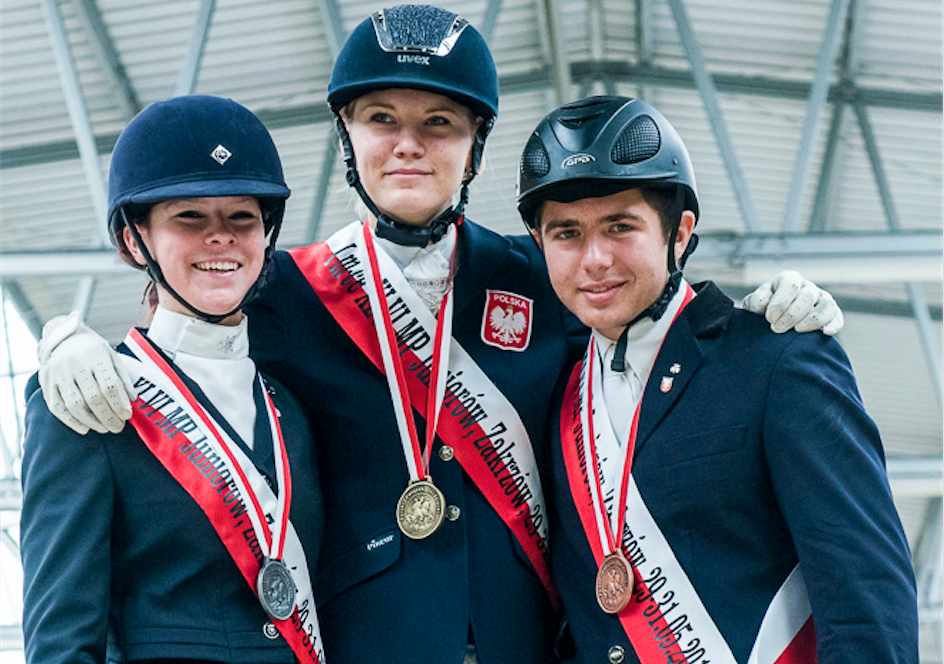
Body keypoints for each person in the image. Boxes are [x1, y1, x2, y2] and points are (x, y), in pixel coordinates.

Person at [33, 7, 843, 664]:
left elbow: (650, 337)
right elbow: (188, 341)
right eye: (381, 118)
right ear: (348, 134)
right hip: (368, 645)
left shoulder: (547, 274)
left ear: (474, 145)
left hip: (526, 641)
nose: (409, 144)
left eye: (440, 122)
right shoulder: (285, 292)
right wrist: (65, 340)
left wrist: (758, 316)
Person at [516, 95, 918, 663]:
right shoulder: (559, 400)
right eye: (567, 234)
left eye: (620, 226)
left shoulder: (776, 359)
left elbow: (866, 599)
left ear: (679, 233)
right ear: (540, 245)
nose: (595, 258)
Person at [20, 95, 325, 664]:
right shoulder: (89, 402)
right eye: (189, 216)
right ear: (134, 241)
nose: (221, 236)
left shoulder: (292, 408)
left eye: (242, 216)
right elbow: (61, 643)